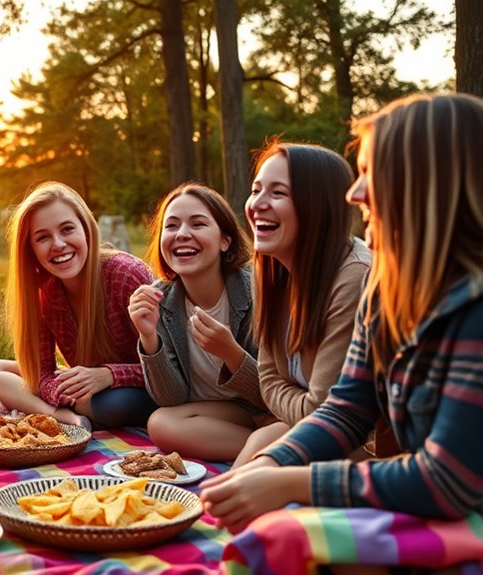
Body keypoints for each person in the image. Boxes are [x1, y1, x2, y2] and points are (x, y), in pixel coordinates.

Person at [201, 92, 483, 573]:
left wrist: (292, 483)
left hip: (462, 512)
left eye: (372, 173)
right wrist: (275, 463)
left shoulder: (473, 310)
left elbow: (449, 480)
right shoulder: (386, 290)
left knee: (282, 538)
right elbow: (347, 407)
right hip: (434, 505)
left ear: (425, 185)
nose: (355, 194)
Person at [232, 141, 374, 466]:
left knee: (260, 445)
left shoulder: (354, 276)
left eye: (278, 193)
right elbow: (267, 379)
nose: (257, 204)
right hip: (299, 423)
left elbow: (323, 410)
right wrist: (296, 407)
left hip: (358, 444)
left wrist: (291, 409)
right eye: (256, 190)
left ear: (317, 205)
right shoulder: (269, 270)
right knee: (169, 425)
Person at [0, 181, 158, 429]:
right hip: (85, 385)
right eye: (42, 237)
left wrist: (108, 375)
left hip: (140, 389)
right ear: (30, 250)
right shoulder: (45, 292)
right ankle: (66, 418)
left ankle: (66, 409)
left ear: (86, 230)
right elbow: (41, 373)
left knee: (106, 404)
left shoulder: (127, 275)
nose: (58, 244)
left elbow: (171, 367)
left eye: (67, 229)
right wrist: (59, 391)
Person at [129, 183, 270, 462]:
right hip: (211, 413)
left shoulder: (256, 292)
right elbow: (170, 399)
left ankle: (276, 443)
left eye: (198, 224)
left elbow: (269, 395)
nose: (182, 234)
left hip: (259, 408)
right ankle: (272, 446)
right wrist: (148, 338)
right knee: (159, 422)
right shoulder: (162, 300)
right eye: (171, 226)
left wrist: (230, 352)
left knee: (277, 420)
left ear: (225, 241)